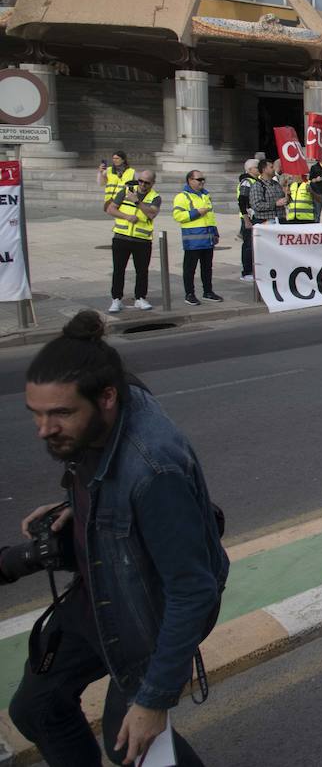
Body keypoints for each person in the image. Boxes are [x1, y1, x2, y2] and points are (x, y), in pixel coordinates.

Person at [6, 312, 229, 766]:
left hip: (148, 612)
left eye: (60, 414)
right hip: (99, 589)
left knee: (131, 744)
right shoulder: (105, 399)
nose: (44, 429)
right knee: (37, 707)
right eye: (37, 413)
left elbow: (193, 590)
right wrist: (72, 504)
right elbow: (96, 470)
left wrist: (153, 701)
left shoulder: (154, 470)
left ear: (108, 398)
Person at [104, 170, 161, 313]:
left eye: (146, 182)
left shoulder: (155, 197)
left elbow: (151, 214)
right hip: (121, 237)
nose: (142, 184)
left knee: (142, 271)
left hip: (142, 239)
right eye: (140, 181)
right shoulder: (125, 191)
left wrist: (136, 201)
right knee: (118, 270)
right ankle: (116, 299)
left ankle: (140, 298)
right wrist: (126, 216)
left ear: (152, 183)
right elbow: (110, 209)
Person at [171, 170, 221, 306]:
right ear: (190, 180)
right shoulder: (182, 197)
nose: (202, 182)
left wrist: (215, 232)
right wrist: (196, 212)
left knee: (207, 268)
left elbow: (211, 216)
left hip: (208, 238)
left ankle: (208, 292)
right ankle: (189, 294)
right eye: (199, 179)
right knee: (190, 269)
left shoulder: (206, 195)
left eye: (203, 179)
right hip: (193, 240)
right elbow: (178, 216)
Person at [235, 157, 259, 282]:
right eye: (256, 167)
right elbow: (242, 201)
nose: (258, 169)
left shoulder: (255, 181)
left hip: (253, 217)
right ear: (250, 169)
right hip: (248, 218)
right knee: (248, 245)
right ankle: (247, 271)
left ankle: (251, 269)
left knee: (252, 245)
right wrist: (246, 218)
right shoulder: (247, 182)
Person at [248, 157, 288, 228]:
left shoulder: (276, 184)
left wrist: (287, 195)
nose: (274, 169)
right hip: (265, 222)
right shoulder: (257, 186)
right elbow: (256, 205)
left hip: (281, 220)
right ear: (264, 170)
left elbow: (283, 201)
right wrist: (275, 204)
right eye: (271, 167)